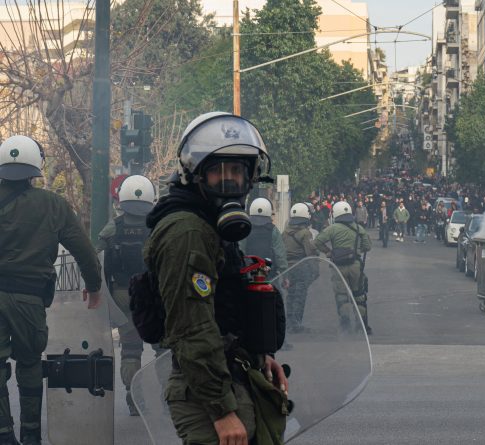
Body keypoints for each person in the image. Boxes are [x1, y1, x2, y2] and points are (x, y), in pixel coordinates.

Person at [143, 112, 289, 445]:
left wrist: (259, 357)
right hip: (208, 396)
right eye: (217, 172)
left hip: (229, 379)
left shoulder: (210, 227)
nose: (228, 182)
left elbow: (226, 308)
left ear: (250, 177)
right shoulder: (187, 232)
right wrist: (222, 411)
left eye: (236, 172)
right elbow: (191, 328)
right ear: (195, 175)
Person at [0, 135, 102, 445]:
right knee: (30, 362)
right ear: (36, 167)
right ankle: (31, 433)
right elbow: (84, 251)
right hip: (29, 300)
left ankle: (3, 434)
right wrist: (93, 286)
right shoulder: (53, 205)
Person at [96, 174, 163, 416]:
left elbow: (98, 260)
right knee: (163, 349)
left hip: (124, 294)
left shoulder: (112, 227)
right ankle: (169, 398)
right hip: (154, 294)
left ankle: (134, 400)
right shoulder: (159, 226)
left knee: (131, 350)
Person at [314, 201, 372, 335]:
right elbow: (367, 246)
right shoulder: (358, 228)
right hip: (355, 265)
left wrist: (328, 252)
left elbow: (317, 242)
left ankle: (345, 326)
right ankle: (362, 326)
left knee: (341, 296)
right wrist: (357, 250)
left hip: (338, 267)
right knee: (359, 295)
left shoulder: (332, 229)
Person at [282, 203, 319, 333]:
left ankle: (289, 322)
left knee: (290, 295)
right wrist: (315, 271)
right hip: (301, 266)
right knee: (300, 295)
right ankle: (296, 324)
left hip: (288, 267)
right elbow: (310, 253)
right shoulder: (305, 233)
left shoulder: (285, 233)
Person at [243, 197, 288, 281]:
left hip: (248, 273)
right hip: (269, 274)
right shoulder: (273, 230)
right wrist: (285, 275)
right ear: (269, 212)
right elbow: (280, 255)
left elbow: (240, 250)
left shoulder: (245, 228)